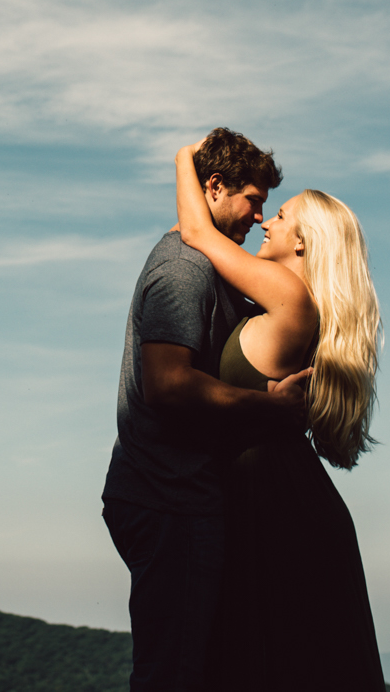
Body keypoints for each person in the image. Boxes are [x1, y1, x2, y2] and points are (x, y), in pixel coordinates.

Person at [171, 139, 387, 692]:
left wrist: (184, 159)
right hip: (280, 499)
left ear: (303, 242)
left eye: (282, 216)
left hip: (277, 505)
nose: (267, 223)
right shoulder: (289, 303)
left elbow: (197, 233)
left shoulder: (291, 296)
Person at [102, 127, 312, 692]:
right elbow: (168, 386)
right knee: (174, 675)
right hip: (170, 497)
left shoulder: (206, 263)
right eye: (253, 200)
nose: (257, 216)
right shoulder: (184, 269)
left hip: (169, 494)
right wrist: (271, 409)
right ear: (215, 187)